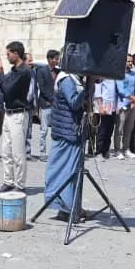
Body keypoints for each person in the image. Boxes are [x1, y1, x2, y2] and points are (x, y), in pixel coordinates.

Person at [43, 68, 88, 222]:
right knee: (66, 172)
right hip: (66, 133)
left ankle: (70, 208)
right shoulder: (67, 80)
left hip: (70, 132)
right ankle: (67, 209)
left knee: (71, 172)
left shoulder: (73, 78)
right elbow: (74, 103)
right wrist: (88, 88)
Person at [0, 42, 32, 193]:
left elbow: (7, 89)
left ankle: (20, 184)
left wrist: (0, 74)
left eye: (8, 54)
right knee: (6, 151)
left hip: (18, 114)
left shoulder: (24, 72)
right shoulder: (13, 72)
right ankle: (8, 180)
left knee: (18, 152)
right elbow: (4, 89)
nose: (7, 57)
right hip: (8, 113)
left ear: (16, 53)